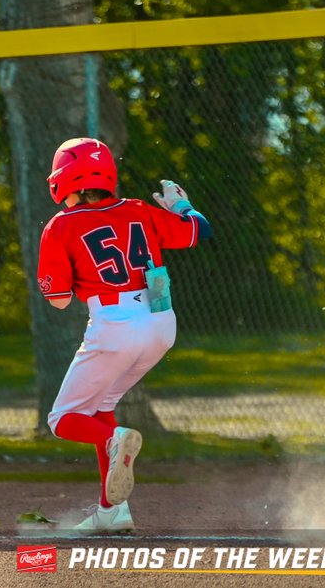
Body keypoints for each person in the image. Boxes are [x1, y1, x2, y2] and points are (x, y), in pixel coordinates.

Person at [36, 137, 211, 533]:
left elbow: (59, 300)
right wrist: (181, 207)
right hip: (161, 323)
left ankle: (114, 439)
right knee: (103, 405)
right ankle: (113, 511)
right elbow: (198, 231)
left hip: (115, 325)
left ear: (63, 181)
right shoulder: (137, 209)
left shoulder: (61, 224)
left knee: (63, 419)